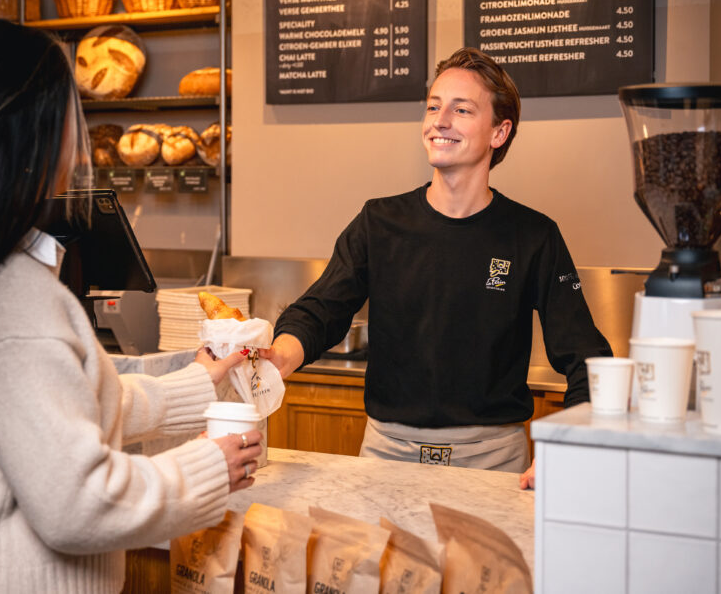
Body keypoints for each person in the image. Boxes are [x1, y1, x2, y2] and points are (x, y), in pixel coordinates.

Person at [0, 19, 261, 593]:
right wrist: (211, 466)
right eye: (69, 109)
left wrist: (197, 383)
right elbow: (79, 504)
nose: (79, 129)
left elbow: (51, 413)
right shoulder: (13, 299)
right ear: (30, 135)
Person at [259, 47, 612, 489]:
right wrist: (277, 357)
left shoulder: (533, 235)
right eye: (433, 106)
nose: (439, 120)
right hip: (385, 457)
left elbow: (587, 357)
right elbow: (321, 310)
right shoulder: (379, 222)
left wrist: (567, 448)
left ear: (499, 132)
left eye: (461, 109)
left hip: (493, 464)